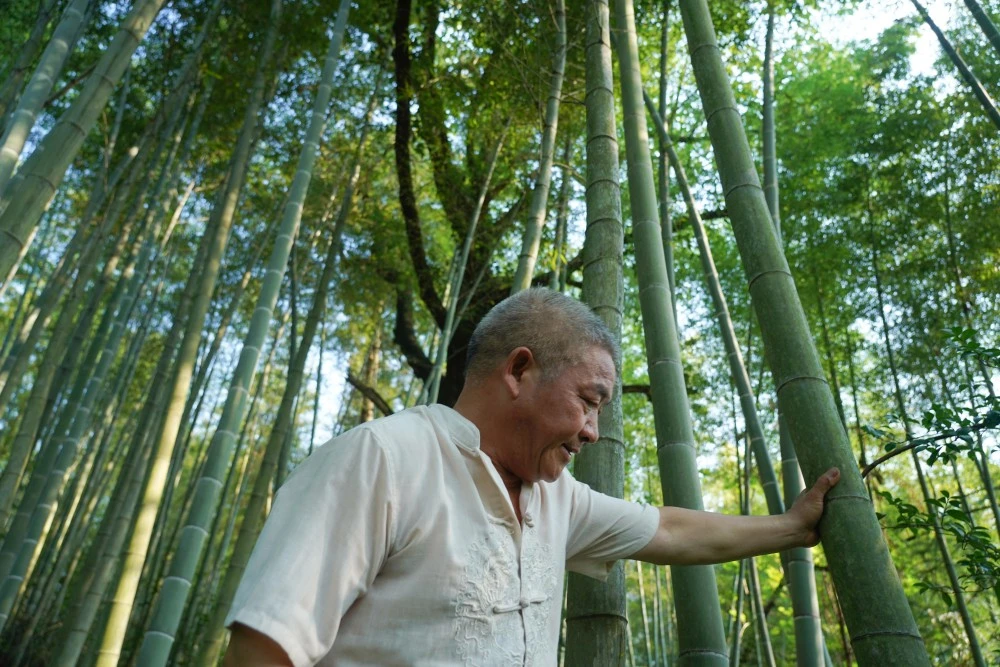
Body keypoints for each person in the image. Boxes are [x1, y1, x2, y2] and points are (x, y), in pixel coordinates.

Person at [224, 288, 840, 666]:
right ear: (520, 371)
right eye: (589, 400)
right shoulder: (382, 459)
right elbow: (264, 650)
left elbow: (672, 531)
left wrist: (792, 526)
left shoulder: (557, 499)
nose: (593, 431)